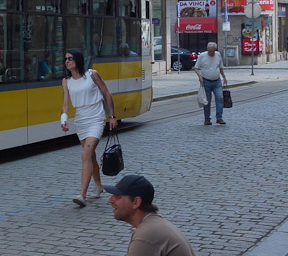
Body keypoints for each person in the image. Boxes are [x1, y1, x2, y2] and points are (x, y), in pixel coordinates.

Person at [61, 50, 117, 207]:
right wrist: (64, 119)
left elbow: (107, 94)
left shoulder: (92, 75)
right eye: (65, 59)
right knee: (90, 156)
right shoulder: (66, 81)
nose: (67, 61)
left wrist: (112, 116)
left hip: (96, 118)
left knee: (86, 154)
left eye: (70, 58)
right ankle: (98, 186)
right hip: (81, 120)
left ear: (78, 60)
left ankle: (82, 195)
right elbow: (65, 103)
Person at [106, 174, 196, 255]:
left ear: (136, 202)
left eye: (118, 196)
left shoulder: (145, 236)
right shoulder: (154, 223)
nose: (110, 200)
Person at [194, 41, 227, 125]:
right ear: (207, 49)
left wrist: (224, 77)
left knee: (220, 98)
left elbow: (220, 67)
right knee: (207, 101)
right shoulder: (202, 56)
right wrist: (199, 76)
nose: (212, 53)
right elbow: (196, 68)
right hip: (206, 81)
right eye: (210, 51)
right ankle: (207, 119)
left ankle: (219, 118)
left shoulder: (218, 55)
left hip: (217, 81)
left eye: (213, 51)